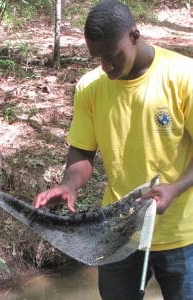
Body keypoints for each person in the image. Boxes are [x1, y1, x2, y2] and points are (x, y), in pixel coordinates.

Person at [34, 1, 193, 299]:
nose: (106, 66)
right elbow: (82, 152)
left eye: (112, 56)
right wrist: (69, 185)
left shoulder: (183, 76)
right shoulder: (90, 87)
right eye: (99, 58)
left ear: (134, 36)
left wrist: (176, 187)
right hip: (119, 231)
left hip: (182, 234)